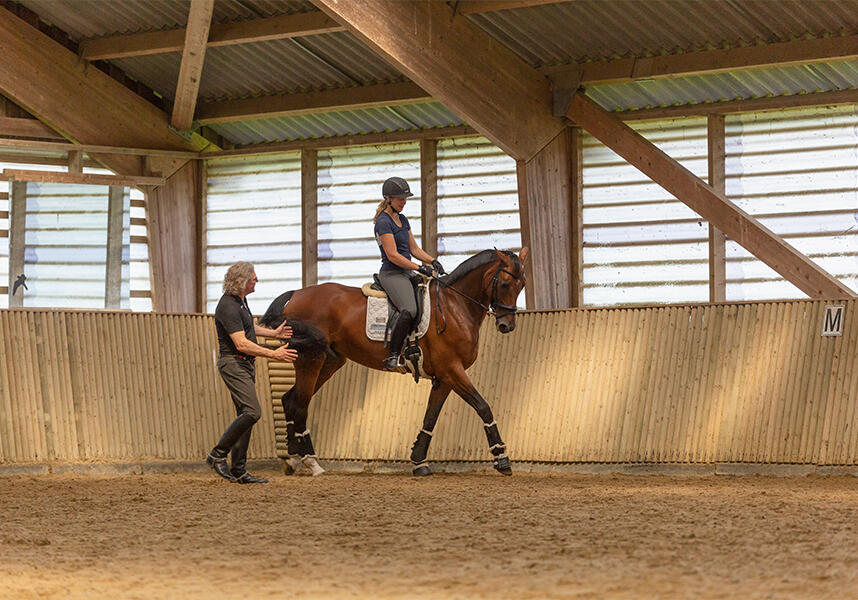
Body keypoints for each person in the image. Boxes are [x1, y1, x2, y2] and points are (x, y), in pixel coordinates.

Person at [206, 261, 297, 483]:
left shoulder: (240, 302)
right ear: (242, 281)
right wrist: (274, 354)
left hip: (244, 365)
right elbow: (241, 343)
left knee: (244, 416)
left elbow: (247, 327)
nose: (256, 281)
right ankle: (217, 454)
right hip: (234, 363)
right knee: (252, 412)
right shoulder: (227, 306)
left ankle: (239, 469)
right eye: (253, 278)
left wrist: (273, 333)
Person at [373, 176, 446, 371]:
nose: (403, 202)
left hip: (407, 272)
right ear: (388, 198)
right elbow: (393, 255)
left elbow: (413, 248)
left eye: (405, 199)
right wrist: (419, 268)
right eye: (400, 199)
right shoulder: (383, 222)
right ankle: (393, 355)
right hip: (392, 274)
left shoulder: (402, 219)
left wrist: (432, 260)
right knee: (410, 309)